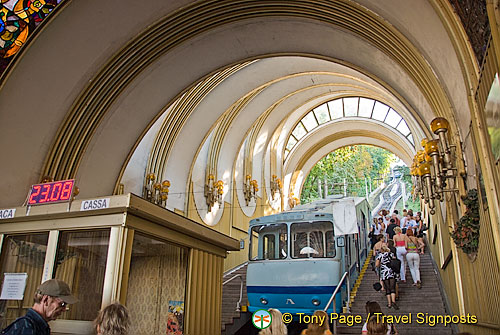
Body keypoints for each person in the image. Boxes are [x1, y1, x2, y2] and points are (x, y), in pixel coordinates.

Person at [1, 279, 77, 335]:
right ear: (46, 300)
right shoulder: (26, 327)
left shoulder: (40, 326)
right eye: (62, 304)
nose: (64, 309)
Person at [375, 245, 399, 310]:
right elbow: (395, 261)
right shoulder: (391, 254)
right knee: (392, 287)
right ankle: (393, 301)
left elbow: (377, 265)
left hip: (384, 273)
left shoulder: (380, 255)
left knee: (387, 288)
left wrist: (381, 264)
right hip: (391, 272)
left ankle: (389, 303)